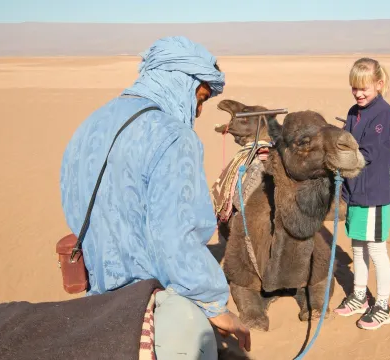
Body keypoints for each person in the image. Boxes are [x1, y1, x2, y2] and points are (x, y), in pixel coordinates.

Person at [60, 36, 250, 358]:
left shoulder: (90, 125)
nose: (199, 111)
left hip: (98, 305)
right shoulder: (173, 136)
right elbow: (177, 236)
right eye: (199, 96)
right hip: (153, 310)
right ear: (180, 81)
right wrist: (216, 306)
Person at [333, 57, 390, 330]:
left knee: (376, 249)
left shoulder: (383, 113)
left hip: (375, 194)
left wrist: (339, 157)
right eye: (354, 88)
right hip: (355, 192)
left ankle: (382, 304)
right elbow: (344, 140)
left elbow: (368, 153)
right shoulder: (353, 111)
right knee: (357, 247)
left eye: (364, 88)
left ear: (379, 85)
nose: (359, 93)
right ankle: (360, 295)